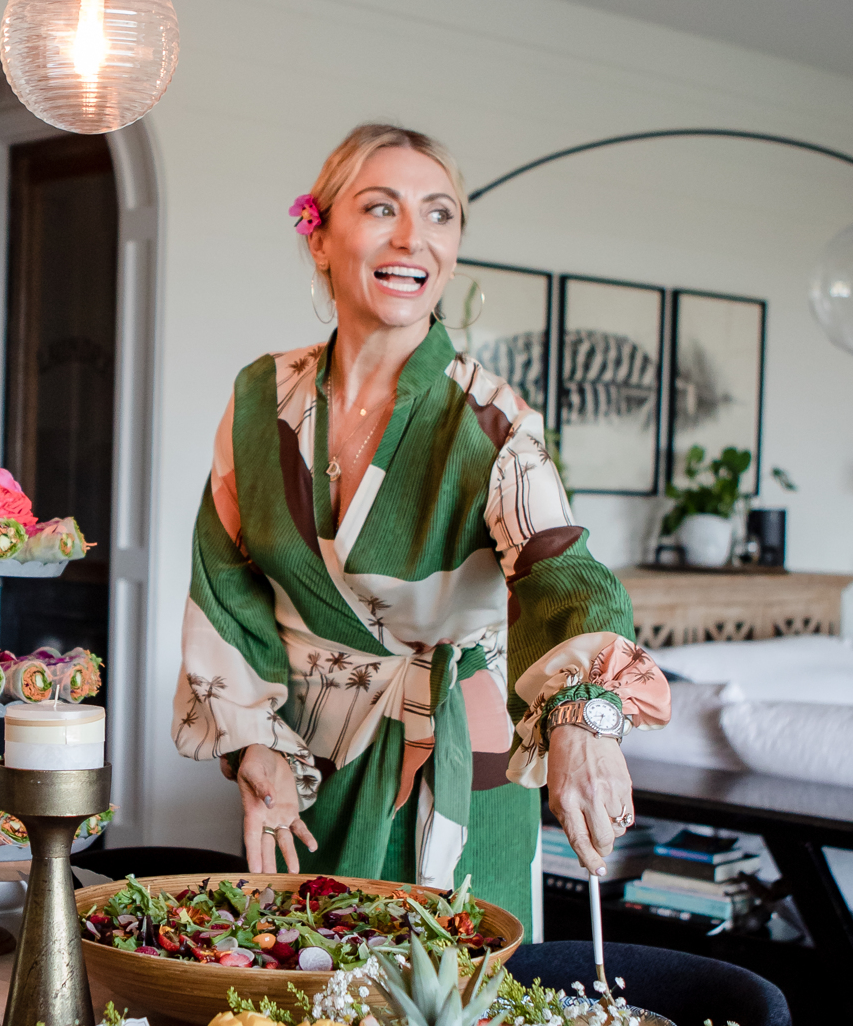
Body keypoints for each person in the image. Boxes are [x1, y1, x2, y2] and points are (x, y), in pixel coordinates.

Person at [172, 122, 669, 935]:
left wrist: (585, 719)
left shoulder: (491, 420)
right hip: (305, 759)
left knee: (449, 1017)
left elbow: (561, 573)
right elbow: (224, 578)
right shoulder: (262, 397)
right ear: (319, 237)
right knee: (296, 1003)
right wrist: (252, 744)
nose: (414, 238)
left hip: (455, 757)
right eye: (380, 208)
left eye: (439, 215)